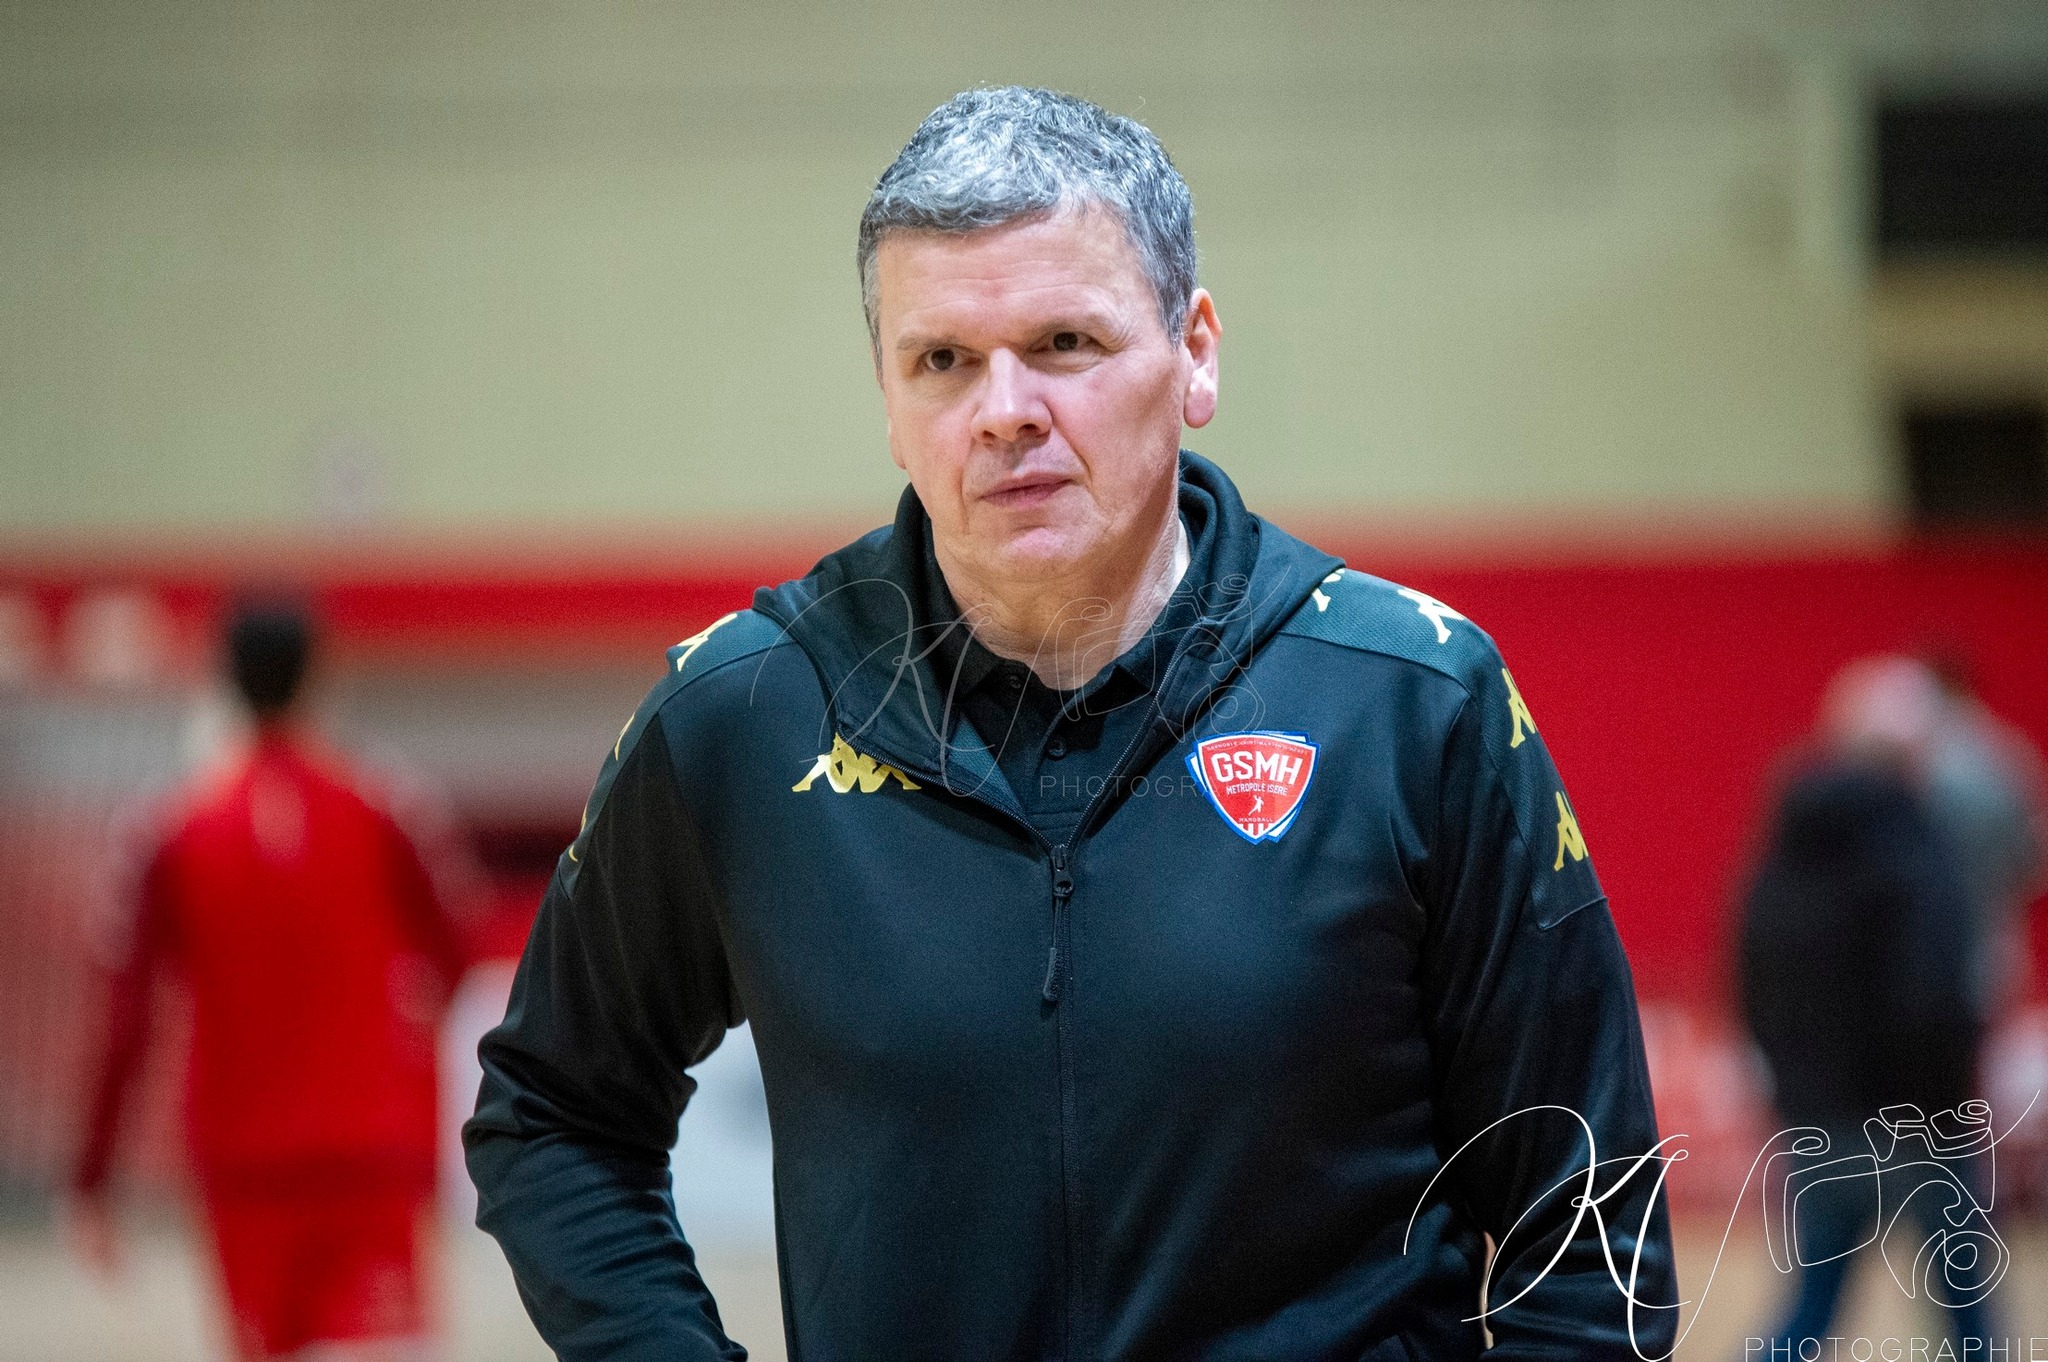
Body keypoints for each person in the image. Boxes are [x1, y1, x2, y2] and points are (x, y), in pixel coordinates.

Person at [467, 86, 1676, 1361]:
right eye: (940, 359)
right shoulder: (743, 713)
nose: (1002, 410)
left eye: (1062, 344)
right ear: (886, 395)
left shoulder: (1410, 701)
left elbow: (1583, 1217)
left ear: (1194, 353)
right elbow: (550, 1113)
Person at [71, 603, 473, 1362]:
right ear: (321, 676)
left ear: (219, 680)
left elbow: (127, 1023)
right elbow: (455, 965)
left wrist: (92, 1178)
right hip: (371, 1157)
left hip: (244, 1169)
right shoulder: (387, 808)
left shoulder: (171, 828)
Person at [1739, 656, 1995, 1354]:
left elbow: (1749, 977)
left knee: (1809, 1310)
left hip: (1819, 1119)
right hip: (1921, 1124)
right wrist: (1947, 1098)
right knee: (1968, 1316)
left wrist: (1796, 1092)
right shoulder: (1915, 846)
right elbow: (1933, 993)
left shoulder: (1786, 846)